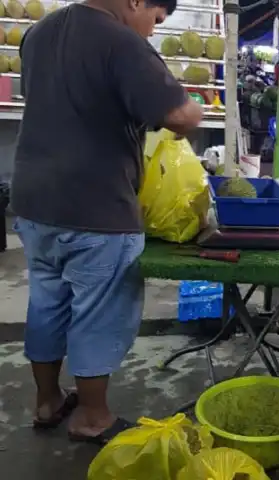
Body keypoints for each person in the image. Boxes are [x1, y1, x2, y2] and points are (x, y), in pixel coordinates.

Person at [10, 0, 203, 445]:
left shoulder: (39, 33)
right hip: (95, 206)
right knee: (99, 311)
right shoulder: (120, 40)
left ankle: (48, 402)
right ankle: (92, 416)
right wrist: (178, 122)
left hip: (35, 202)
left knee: (46, 303)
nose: (152, 32)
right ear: (136, 2)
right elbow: (183, 114)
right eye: (155, 20)